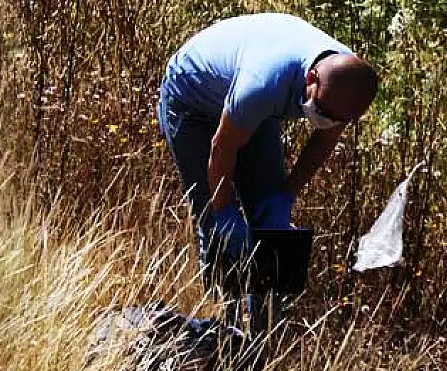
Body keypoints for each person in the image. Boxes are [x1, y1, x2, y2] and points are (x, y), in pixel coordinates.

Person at [157, 13, 379, 333]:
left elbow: (322, 144)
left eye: (340, 119)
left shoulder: (346, 87)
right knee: (213, 219)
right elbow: (222, 149)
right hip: (193, 100)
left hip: (251, 110)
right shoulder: (261, 84)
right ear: (311, 79)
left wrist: (286, 193)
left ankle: (265, 334)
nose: (328, 121)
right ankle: (223, 330)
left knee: (273, 226)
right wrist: (223, 212)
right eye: (323, 112)